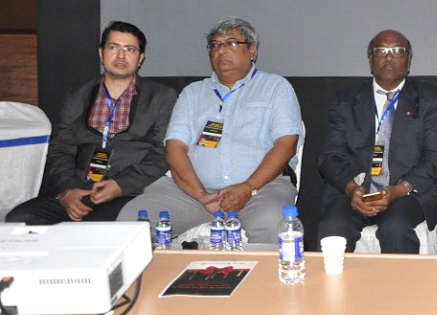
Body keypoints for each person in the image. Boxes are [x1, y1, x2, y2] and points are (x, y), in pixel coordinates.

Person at [118, 18, 301, 247]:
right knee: (131, 219)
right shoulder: (192, 93)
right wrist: (201, 194)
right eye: (215, 45)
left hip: (260, 190)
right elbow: (174, 148)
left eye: (231, 43)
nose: (221, 50)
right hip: (192, 194)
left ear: (252, 50)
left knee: (272, 222)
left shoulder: (276, 88)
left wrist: (247, 187)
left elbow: (286, 145)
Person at [6, 22, 176, 225]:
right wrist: (68, 191)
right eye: (113, 47)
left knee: (97, 227)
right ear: (101, 53)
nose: (121, 56)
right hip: (80, 190)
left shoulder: (161, 97)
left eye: (129, 49)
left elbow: (163, 153)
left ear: (140, 58)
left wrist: (119, 185)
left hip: (130, 193)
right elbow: (61, 149)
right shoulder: (78, 94)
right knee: (20, 219)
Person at [317, 30, 437, 253]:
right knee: (333, 228)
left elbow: (436, 157)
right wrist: (351, 189)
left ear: (408, 61)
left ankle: (397, 279)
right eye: (381, 51)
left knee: (395, 228)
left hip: (405, 193)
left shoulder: (430, 98)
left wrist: (399, 189)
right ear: (370, 60)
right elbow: (330, 156)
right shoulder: (345, 100)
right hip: (354, 191)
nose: (389, 57)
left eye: (397, 51)